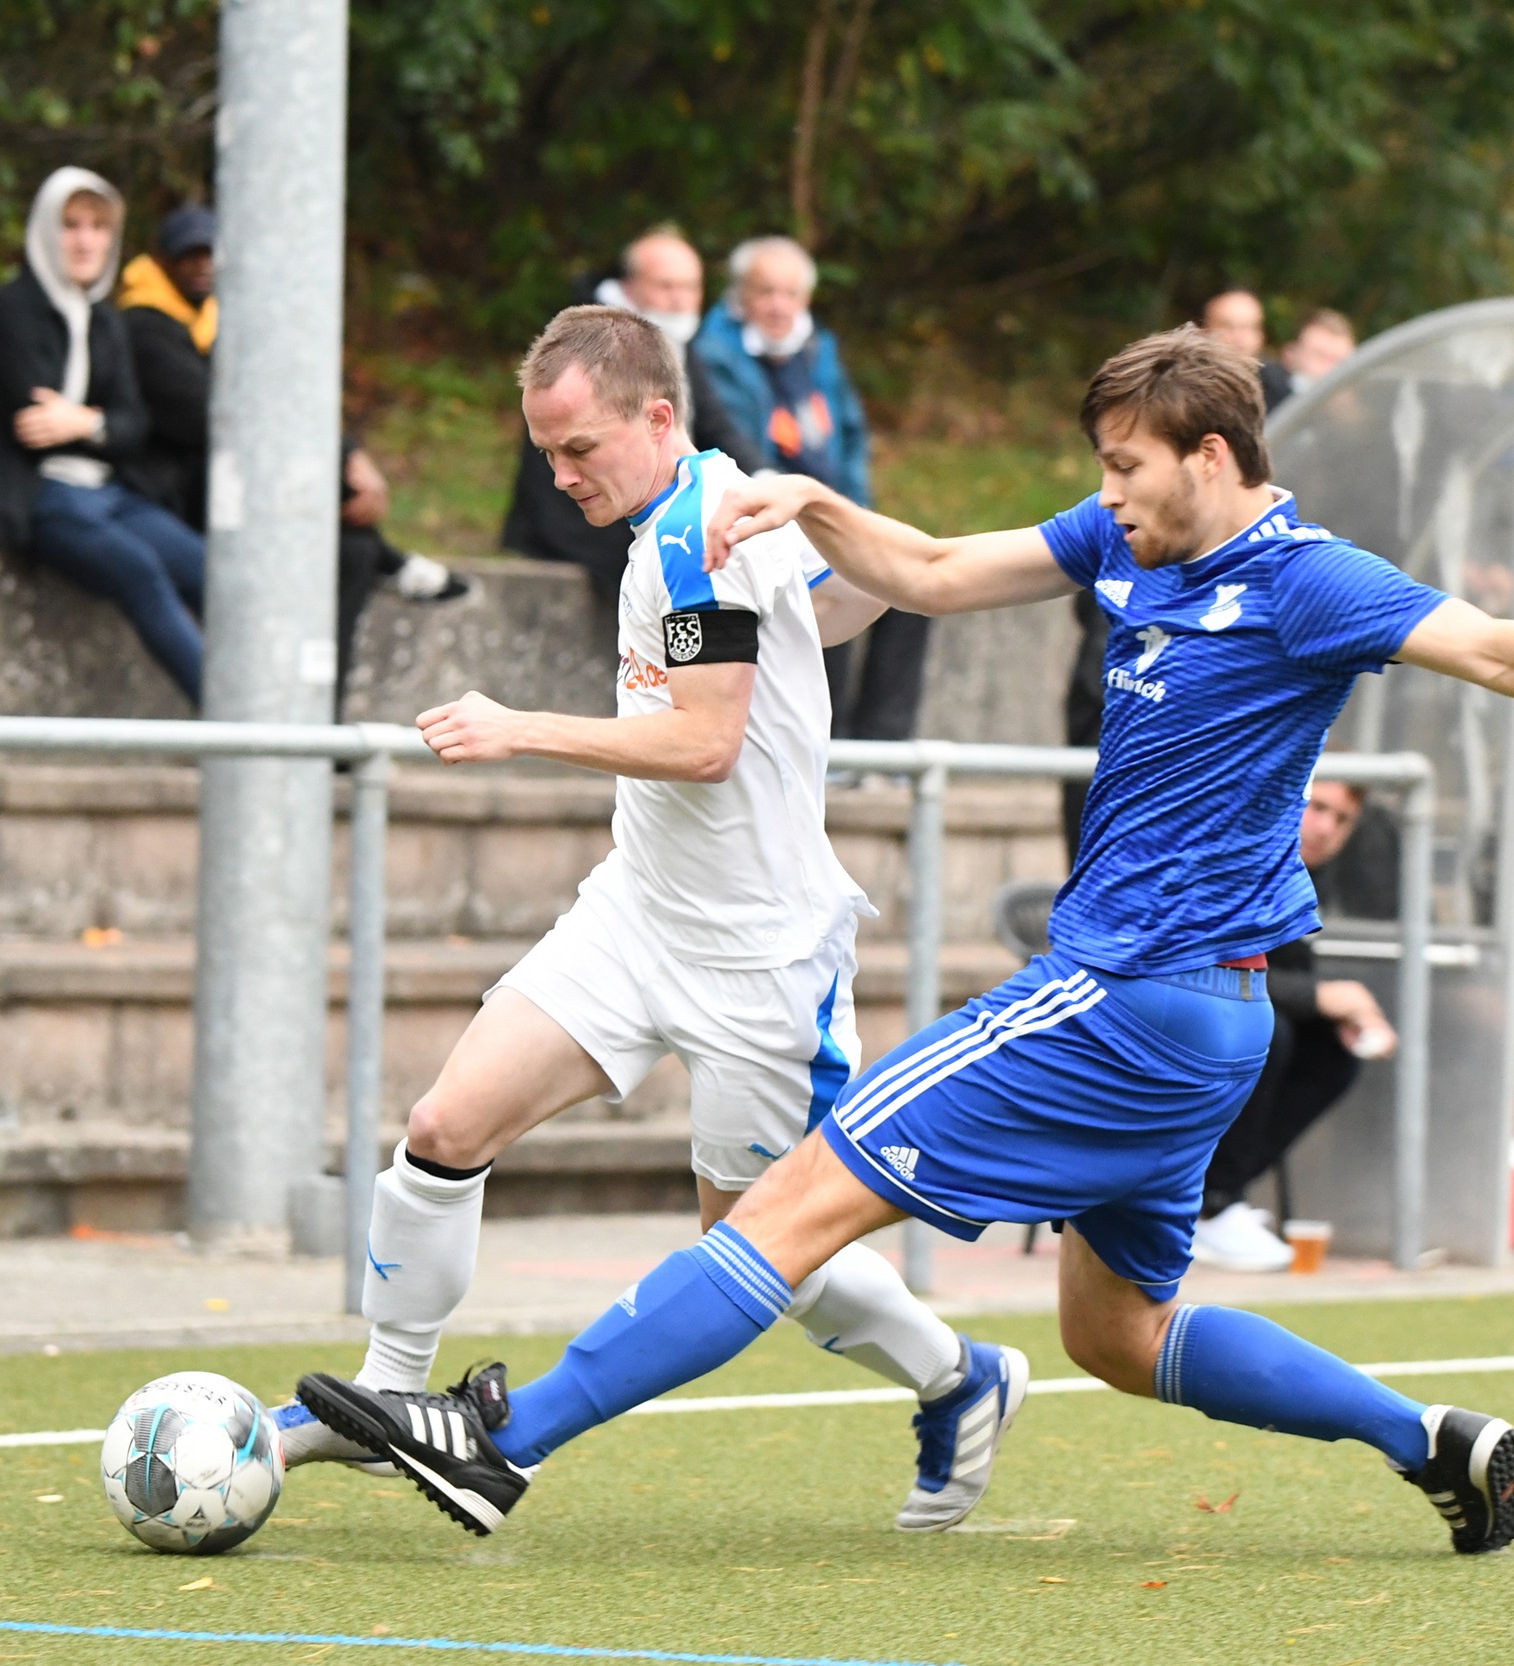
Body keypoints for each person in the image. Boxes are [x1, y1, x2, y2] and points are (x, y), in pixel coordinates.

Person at [296, 323, 1514, 1556]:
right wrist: (816, 503)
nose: (1108, 496)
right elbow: (937, 570)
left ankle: (501, 1442)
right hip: (1207, 1024)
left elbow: (1499, 651)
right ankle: (1434, 1440)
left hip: (1124, 994)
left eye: (1129, 470)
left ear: (1212, 457)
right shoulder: (1125, 538)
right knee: (1120, 1335)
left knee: (790, 1201)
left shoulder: (1306, 577)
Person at [268, 305, 1003, 1534]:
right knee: (447, 1123)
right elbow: (838, 608)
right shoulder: (706, 505)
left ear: (659, 419)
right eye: (545, 453)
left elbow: (710, 742)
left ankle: (959, 1374)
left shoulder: (698, 539)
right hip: (637, 914)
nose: (558, 478)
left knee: (761, 1257)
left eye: (577, 450)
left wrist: (521, 725)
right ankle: (388, 1396)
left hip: (760, 963)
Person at [115, 203, 465, 716]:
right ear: (161, 262)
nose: (202, 264)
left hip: (237, 490)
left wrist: (349, 453)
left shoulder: (215, 318)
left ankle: (321, 721)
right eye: (188, 255)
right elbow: (220, 422)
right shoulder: (147, 327)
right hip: (183, 500)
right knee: (335, 545)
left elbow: (285, 394)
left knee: (353, 552)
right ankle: (396, 567)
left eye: (211, 253)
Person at [0, 168, 205, 702]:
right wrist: (102, 425)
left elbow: (133, 426)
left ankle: (281, 710)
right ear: (44, 230)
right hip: (35, 494)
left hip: (107, 492)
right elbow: (33, 423)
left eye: (99, 227)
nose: (86, 241)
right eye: (71, 225)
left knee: (211, 570)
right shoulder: (9, 311)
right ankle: (248, 729)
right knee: (140, 570)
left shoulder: (106, 320)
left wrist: (87, 422)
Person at [696, 236, 924, 743]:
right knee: (837, 577)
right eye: (765, 292)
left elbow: (850, 435)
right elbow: (737, 448)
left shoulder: (818, 349)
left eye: (791, 294)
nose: (779, 306)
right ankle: (831, 741)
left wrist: (856, 514)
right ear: (740, 296)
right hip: (762, 511)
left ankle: (885, 747)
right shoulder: (713, 354)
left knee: (912, 582)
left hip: (825, 506)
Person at [1191, 783, 1398, 1272]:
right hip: (1149, 1007)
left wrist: (1346, 1012)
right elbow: (1199, 968)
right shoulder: (1231, 851)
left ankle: (1210, 1199)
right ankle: (1207, 1205)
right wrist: (1319, 997)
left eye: (1342, 819)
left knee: (1331, 1050)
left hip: (1217, 1014)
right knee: (1265, 1031)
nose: (1325, 828)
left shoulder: (1303, 874)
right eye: (1317, 807)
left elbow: (1289, 969)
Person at [501, 228, 761, 602]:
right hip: (591, 525)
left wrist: (768, 481)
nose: (679, 300)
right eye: (666, 286)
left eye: (690, 288)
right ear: (629, 283)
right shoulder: (590, 344)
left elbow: (716, 426)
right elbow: (559, 449)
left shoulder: (679, 342)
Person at [1200, 288, 1289, 410]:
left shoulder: (1279, 388)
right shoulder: (1183, 383)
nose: (1239, 337)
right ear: (1205, 330)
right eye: (1228, 326)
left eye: (1249, 327)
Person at [1278, 308, 1356, 397]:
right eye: (1319, 355)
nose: (1330, 369)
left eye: (1339, 361)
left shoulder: (1362, 405)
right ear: (1290, 354)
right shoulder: (1264, 391)